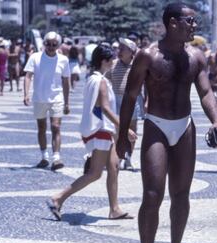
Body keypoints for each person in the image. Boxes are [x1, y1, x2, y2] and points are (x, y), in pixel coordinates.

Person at [116, 3, 217, 243]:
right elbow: (130, 96)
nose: (194, 26)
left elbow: (206, 92)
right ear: (173, 23)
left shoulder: (196, 56)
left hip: (184, 126)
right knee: (152, 194)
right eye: (190, 21)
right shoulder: (148, 56)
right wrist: (122, 136)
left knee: (181, 194)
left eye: (195, 21)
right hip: (156, 125)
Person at [47, 44, 137, 221]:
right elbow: (104, 108)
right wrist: (125, 129)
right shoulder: (101, 81)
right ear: (104, 61)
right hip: (101, 130)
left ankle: (114, 209)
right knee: (95, 173)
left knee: (114, 167)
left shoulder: (93, 78)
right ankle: (58, 198)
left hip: (102, 131)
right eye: (112, 59)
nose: (114, 61)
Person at [23, 31, 70, 170]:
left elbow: (66, 81)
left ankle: (56, 158)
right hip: (39, 98)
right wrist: (26, 94)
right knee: (41, 128)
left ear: (58, 45)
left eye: (54, 44)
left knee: (56, 126)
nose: (50, 47)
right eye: (47, 44)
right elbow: (28, 76)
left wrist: (67, 102)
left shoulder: (63, 60)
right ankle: (44, 157)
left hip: (57, 97)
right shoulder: (35, 57)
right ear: (43, 44)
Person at [106, 37, 139, 171]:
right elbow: (105, 82)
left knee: (132, 131)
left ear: (131, 51)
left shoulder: (138, 64)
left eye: (122, 49)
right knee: (119, 131)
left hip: (133, 100)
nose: (119, 51)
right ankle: (118, 157)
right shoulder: (113, 64)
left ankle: (129, 158)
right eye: (119, 48)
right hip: (116, 100)